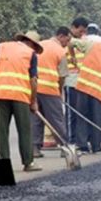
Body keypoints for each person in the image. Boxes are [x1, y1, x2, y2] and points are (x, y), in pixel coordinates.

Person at [0, 31, 44, 172]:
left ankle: (3, 165)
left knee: (3, 131)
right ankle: (28, 163)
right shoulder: (30, 54)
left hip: (2, 94)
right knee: (24, 130)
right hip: (20, 96)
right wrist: (33, 101)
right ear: (31, 43)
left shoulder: (2, 46)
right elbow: (33, 80)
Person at [31, 27, 71, 158]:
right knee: (56, 119)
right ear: (61, 36)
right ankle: (65, 147)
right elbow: (63, 75)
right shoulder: (60, 51)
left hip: (34, 88)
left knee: (36, 119)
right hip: (50, 89)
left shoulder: (40, 45)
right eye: (67, 39)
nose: (68, 43)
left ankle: (35, 149)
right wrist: (59, 92)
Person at [65, 17, 89, 143]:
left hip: (82, 81)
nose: (82, 34)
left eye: (84, 31)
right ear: (73, 28)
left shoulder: (82, 42)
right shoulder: (66, 41)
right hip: (70, 81)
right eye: (80, 31)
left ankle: (81, 140)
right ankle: (70, 140)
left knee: (81, 112)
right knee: (71, 113)